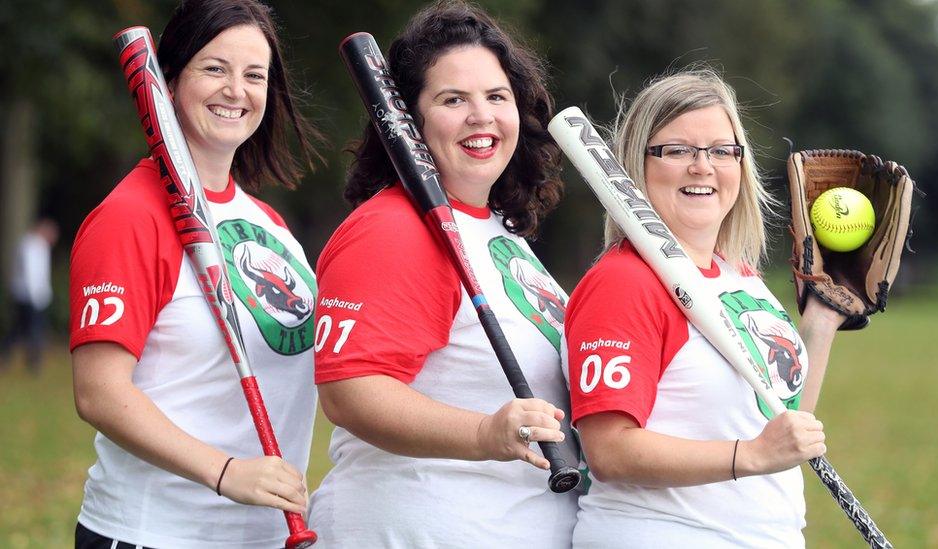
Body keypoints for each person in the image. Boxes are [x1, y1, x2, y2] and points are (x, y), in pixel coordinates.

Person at [307, 1, 578, 546]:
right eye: (454, 99)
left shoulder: (500, 233)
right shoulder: (394, 228)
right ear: (411, 118)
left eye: (496, 96)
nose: (482, 116)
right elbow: (352, 389)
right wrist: (483, 432)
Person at [69, 1, 324, 547]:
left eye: (254, 75)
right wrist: (226, 471)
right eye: (215, 68)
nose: (236, 90)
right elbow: (99, 393)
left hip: (261, 533)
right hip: (155, 532)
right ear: (170, 80)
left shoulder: (270, 226)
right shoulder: (129, 216)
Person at [564, 69, 845, 548]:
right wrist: (750, 455)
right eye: (677, 150)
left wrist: (822, 319)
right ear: (637, 164)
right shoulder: (624, 282)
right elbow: (609, 451)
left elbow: (780, 425)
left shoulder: (739, 278)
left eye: (721, 150)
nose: (703, 166)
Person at [1, 218, 58, 374]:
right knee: (32, 330)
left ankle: (24, 359)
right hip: (28, 296)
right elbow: (31, 273)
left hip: (31, 296)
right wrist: (37, 298)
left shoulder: (38, 245)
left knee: (19, 329)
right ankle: (34, 362)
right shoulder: (32, 245)